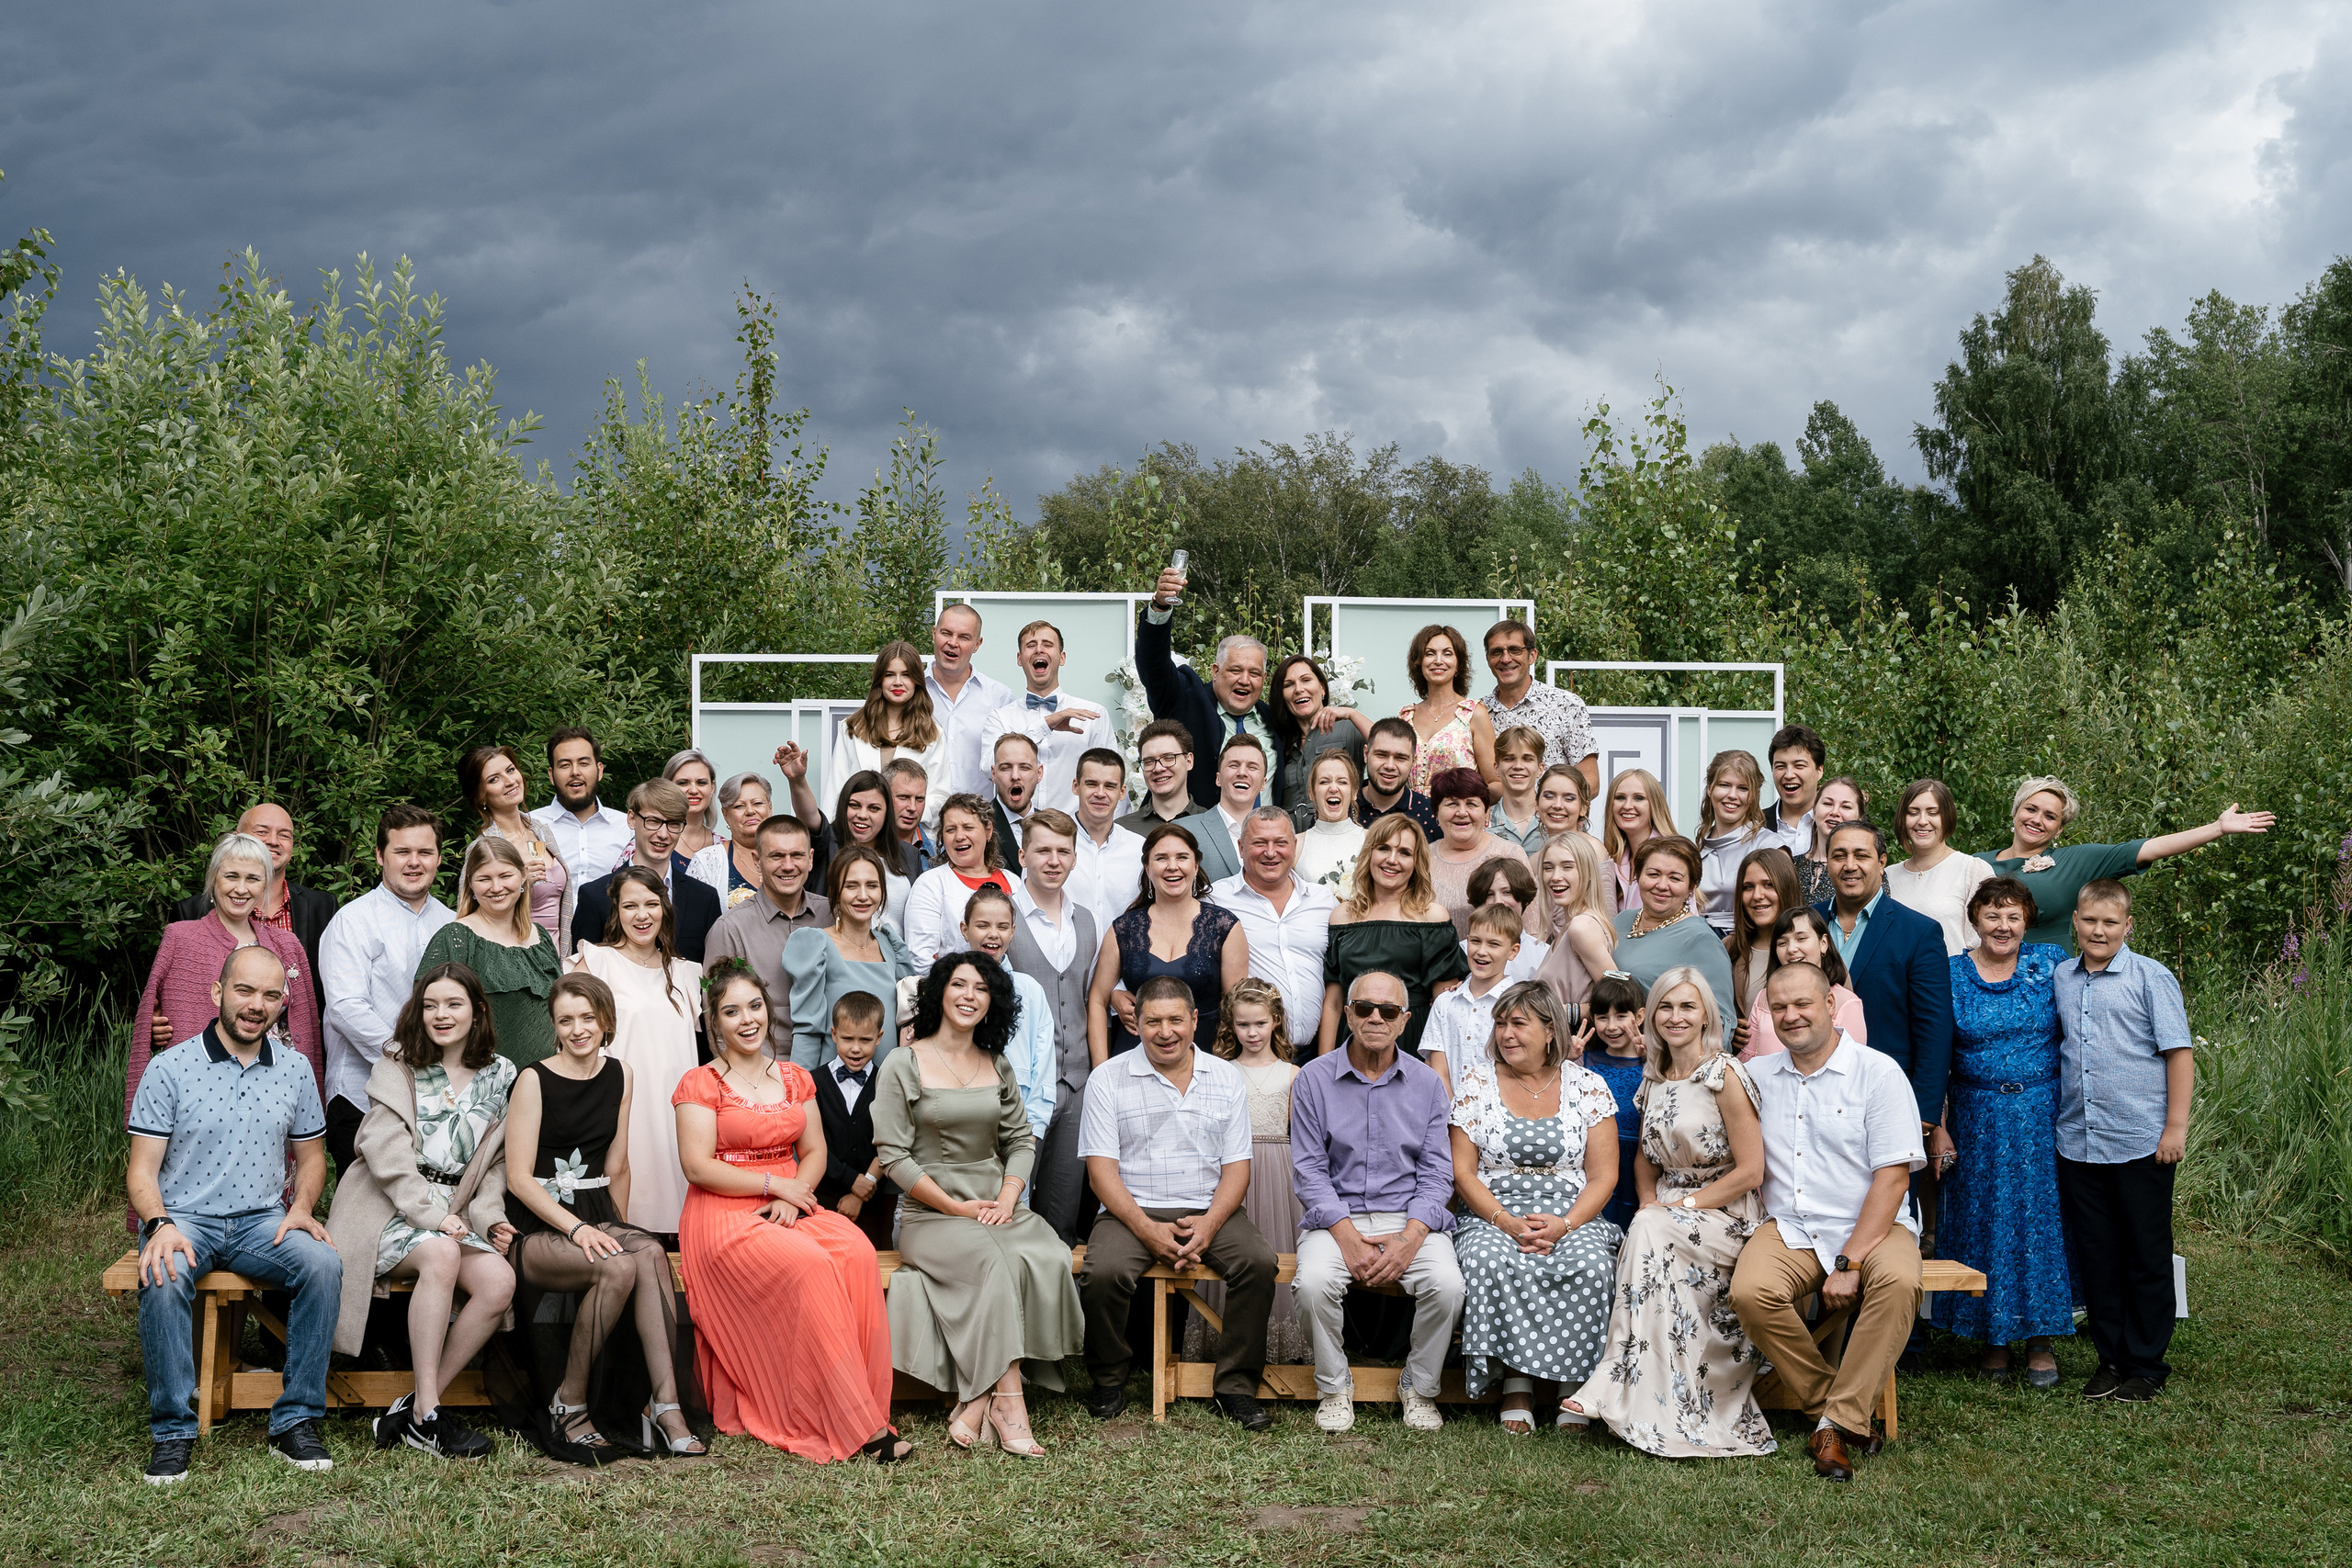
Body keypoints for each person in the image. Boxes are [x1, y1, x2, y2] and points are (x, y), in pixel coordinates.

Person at [673, 960, 903, 1461]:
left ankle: (862, 1403)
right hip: (723, 1212)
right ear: (715, 1023)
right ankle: (855, 1425)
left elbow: (815, 1152)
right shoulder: (701, 1082)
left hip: (791, 1199)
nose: (747, 1019)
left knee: (856, 1252)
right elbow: (696, 1167)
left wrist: (790, 1193)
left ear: (767, 1009)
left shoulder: (797, 1077)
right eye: (731, 1012)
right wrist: (776, 1186)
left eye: (754, 1006)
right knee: (811, 1266)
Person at [129, 945, 341, 1484]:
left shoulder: (294, 1069)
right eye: (245, 991)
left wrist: (302, 1208)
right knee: (163, 1271)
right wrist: (159, 1224)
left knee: (322, 1264)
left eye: (271, 995)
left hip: (260, 1221)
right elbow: (141, 1170)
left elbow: (312, 1156)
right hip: (185, 1218)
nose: (256, 1005)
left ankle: (295, 1420)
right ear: (217, 993)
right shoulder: (169, 1067)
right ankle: (173, 1430)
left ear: (282, 1002)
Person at [875, 953, 1085, 1456]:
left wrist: (1009, 1198)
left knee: (1049, 1254)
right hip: (932, 1213)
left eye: (981, 988)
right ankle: (1010, 1401)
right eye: (959, 984)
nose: (969, 995)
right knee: (994, 1262)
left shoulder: (997, 1062)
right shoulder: (903, 1062)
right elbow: (893, 1156)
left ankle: (978, 1401)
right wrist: (953, 1206)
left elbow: (1021, 1140)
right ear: (939, 994)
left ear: (993, 1002)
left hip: (997, 1204)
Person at [1565, 968, 1775, 1457]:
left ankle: (1607, 1379)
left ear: (1706, 1015)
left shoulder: (1724, 1073)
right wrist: (1649, 1204)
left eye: (1687, 1007)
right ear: (1652, 1016)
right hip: (1668, 1218)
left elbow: (1751, 1171)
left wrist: (1681, 1206)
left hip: (1727, 1215)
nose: (1676, 1017)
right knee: (1648, 1228)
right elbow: (1644, 1158)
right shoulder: (1656, 1076)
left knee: (1651, 1229)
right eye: (1666, 1007)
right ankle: (1643, 1396)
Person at [1732, 962, 1927, 1481]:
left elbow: (1893, 1180)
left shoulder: (1878, 1073)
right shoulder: (1755, 1079)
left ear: (1832, 1006)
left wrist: (1851, 1260)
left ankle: (1834, 1421)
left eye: (1802, 1004)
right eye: (1779, 1008)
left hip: (1874, 1225)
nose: (1791, 1016)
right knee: (1751, 1293)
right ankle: (1838, 1411)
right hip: (1792, 1226)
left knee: (1901, 1280)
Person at [502, 973, 702, 1461]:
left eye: (587, 1018)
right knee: (618, 1265)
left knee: (648, 1251)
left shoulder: (622, 1074)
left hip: (596, 1211)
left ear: (605, 1020)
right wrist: (577, 1228)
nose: (578, 1029)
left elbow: (617, 1165)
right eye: (566, 1020)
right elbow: (518, 1179)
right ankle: (567, 1403)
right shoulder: (534, 1078)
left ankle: (666, 1405)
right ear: (554, 1026)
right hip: (539, 1222)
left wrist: (621, 1229)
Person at [324, 963, 516, 1460]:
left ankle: (412, 1409)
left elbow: (493, 1164)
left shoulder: (501, 1074)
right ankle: (431, 1416)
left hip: (452, 1212)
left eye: (453, 1004)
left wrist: (489, 1215)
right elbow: (384, 1153)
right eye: (430, 1005)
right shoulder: (398, 1063)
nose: (440, 1015)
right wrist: (433, 1217)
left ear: (477, 1011)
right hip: (386, 1206)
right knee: (440, 1256)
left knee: (499, 1283)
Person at [1079, 976, 1277, 1428]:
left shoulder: (1225, 1077)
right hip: (1131, 1209)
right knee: (1103, 1273)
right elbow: (1101, 1172)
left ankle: (1235, 1387)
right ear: (1136, 1023)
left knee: (1258, 1263)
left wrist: (1209, 1224)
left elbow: (1237, 1168)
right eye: (1153, 1021)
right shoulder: (1107, 1078)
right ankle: (1110, 1379)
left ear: (1194, 1020)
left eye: (1175, 1020)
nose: (1165, 1031)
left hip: (1210, 1208)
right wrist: (1146, 1230)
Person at [1291, 970, 1464, 1434]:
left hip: (1408, 1218)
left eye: (1387, 1011)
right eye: (1364, 1008)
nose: (1375, 1018)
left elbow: (1437, 1175)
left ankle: (1419, 1386)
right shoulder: (1312, 1079)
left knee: (1448, 1285)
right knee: (1311, 1284)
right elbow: (1309, 1172)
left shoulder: (1428, 1084)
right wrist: (1346, 1236)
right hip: (1336, 1219)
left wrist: (1411, 1238)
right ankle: (1334, 1385)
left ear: (1404, 1020)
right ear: (1347, 1013)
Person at [1450, 981, 1623, 1430]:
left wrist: (1565, 1224)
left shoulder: (1588, 1085)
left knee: (1591, 1264)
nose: (1507, 1033)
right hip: (1494, 1211)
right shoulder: (1476, 1082)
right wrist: (1506, 1222)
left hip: (1572, 1212)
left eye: (1519, 1024)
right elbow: (1464, 1172)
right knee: (1492, 1259)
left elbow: (1604, 1176)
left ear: (1550, 1031)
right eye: (1501, 1023)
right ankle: (1515, 1383)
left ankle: (1574, 1388)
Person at [2053, 881, 2194, 1402]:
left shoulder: (2150, 978)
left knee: (2145, 1252)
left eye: (2111, 923)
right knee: (2097, 1253)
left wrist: (2174, 1128)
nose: (2099, 931)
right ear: (2076, 920)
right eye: (2090, 921)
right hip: (2078, 1140)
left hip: (2140, 1139)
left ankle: (2146, 1363)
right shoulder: (2062, 979)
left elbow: (2178, 1053)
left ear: (2128, 926)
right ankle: (2109, 1358)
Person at [1933, 877, 2075, 1386]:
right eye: (1992, 915)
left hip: (2043, 1115)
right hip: (1975, 1116)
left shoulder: (2050, 963)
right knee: (1985, 1222)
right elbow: (1936, 1058)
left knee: (2040, 1225)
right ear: (1975, 920)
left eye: (2013, 915)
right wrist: (1939, 1126)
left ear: (2027, 921)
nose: (2003, 925)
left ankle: (2040, 1339)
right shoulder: (1950, 974)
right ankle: (1992, 1338)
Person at [131, 832, 324, 1140]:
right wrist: (139, 1106)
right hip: (200, 1101)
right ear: (213, 879)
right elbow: (146, 1021)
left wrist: (313, 1110)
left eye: (253, 879)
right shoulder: (180, 938)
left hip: (275, 1096)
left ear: (265, 886)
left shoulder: (287, 945)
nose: (241, 888)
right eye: (231, 876)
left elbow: (306, 1030)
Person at [1977, 775, 2274, 952]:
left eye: (2050, 816)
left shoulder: (2074, 860)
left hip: (2043, 980)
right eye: (2031, 809)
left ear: (2060, 829)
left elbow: (2147, 849)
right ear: (2016, 810)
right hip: (1980, 977)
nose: (2037, 820)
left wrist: (2216, 828)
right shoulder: (1973, 863)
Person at [318, 807, 454, 1178]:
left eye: (425, 853)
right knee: (364, 1217)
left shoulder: (453, 923)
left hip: (434, 1102)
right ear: (380, 856)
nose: (414, 862)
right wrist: (411, 1056)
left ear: (438, 859)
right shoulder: (353, 920)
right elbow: (346, 1008)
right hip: (364, 1097)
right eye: (402, 852)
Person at [569, 867, 702, 1234]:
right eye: (630, 906)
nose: (642, 915)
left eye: (651, 904)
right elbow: (567, 1028)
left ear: (665, 909)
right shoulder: (598, 962)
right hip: (622, 1104)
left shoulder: (687, 972)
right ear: (616, 911)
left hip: (677, 1112)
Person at [1822, 819, 1956, 1145]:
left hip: (1888, 1097)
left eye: (1861, 855)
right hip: (1815, 1094)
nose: (1850, 865)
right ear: (1827, 864)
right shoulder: (1806, 924)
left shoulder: (1918, 932)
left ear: (1882, 862)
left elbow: (1935, 1028)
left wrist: (1925, 1112)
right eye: (1839, 856)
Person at [1005, 809, 1102, 1244]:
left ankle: (1059, 1308)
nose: (1053, 860)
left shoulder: (1087, 920)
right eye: (1042, 850)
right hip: (1020, 1085)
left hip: (1077, 1082)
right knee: (1012, 1203)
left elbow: (1087, 995)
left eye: (1063, 851)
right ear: (1023, 855)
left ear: (1075, 858)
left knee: (1062, 1214)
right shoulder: (1001, 916)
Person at [1204, 979, 1306, 1364]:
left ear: (1275, 1022)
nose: (1252, 1033)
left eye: (1260, 1024)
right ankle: (1224, 1339)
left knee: (1279, 1249)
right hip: (1233, 1167)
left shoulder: (1294, 1074)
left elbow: (1302, 1131)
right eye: (1243, 1025)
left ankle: (1281, 1345)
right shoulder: (1220, 1071)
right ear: (1232, 1025)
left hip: (1280, 1169)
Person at [1091, 822, 1248, 1061]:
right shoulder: (1124, 928)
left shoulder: (1224, 926)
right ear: (1147, 868)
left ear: (1195, 866)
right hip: (1133, 1057)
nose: (1172, 866)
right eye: (1161, 858)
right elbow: (1097, 1000)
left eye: (1182, 857)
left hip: (1206, 1058)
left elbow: (1237, 1008)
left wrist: (1230, 1066)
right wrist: (1101, 1072)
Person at [165, 801, 339, 1015]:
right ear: (236, 837)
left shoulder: (322, 907)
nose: (273, 841)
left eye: (284, 835)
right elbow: (173, 991)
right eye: (262, 831)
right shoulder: (190, 912)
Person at [1318, 815, 1468, 1061]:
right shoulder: (1342, 917)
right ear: (1370, 854)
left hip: (1413, 1041)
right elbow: (1334, 1003)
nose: (1392, 860)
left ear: (1416, 862)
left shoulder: (1432, 918)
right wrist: (1322, 1066)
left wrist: (1438, 1070)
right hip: (1351, 1039)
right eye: (1384, 848)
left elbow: (1444, 1006)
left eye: (1404, 852)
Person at [417, 836, 562, 1067]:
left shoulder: (541, 937)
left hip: (545, 1082)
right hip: (483, 1085)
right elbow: (427, 1018)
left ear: (523, 876)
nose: (497, 888)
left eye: (505, 876)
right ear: (471, 884)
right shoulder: (456, 938)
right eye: (485, 879)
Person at [1138, 566, 1274, 808]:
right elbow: (1154, 664)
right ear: (1215, 671)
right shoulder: (1184, 699)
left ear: (1264, 678)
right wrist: (1160, 607)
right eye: (1235, 670)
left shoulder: (1276, 721)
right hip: (1191, 837)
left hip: (1262, 840)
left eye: (1254, 673)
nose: (1245, 680)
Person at [1211, 807, 1338, 1059]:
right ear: (1241, 848)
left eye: (1280, 842)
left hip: (1315, 1054)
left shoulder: (1323, 901)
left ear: (1294, 845)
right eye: (1259, 843)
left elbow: (1337, 975)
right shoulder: (1215, 900)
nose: (1270, 852)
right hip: (1249, 1055)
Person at [705, 814, 833, 1062]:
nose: (788, 866)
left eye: (796, 855)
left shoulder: (831, 917)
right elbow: (716, 1023)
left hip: (830, 1070)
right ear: (757, 860)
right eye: (776, 856)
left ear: (810, 859)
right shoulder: (731, 929)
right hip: (763, 1074)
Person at [784, 845, 915, 1072]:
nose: (863, 896)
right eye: (851, 886)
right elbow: (807, 1028)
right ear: (836, 891)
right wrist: (800, 1090)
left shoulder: (891, 945)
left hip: (885, 1087)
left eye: (872, 886)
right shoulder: (816, 945)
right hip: (832, 1090)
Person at [569, 779, 723, 964]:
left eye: (673, 824)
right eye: (653, 821)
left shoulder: (705, 899)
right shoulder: (595, 896)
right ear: (632, 819)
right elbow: (582, 981)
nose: (663, 834)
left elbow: (713, 974)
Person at [956, 885, 1059, 1149]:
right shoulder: (946, 989)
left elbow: (1043, 1072)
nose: (993, 934)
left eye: (1002, 926)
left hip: (1016, 1135)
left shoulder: (1030, 992)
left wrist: (1030, 1137)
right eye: (982, 925)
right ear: (964, 929)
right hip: (957, 1137)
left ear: (1013, 931)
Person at [977, 620, 1115, 812]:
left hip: (1076, 834)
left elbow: (1111, 779)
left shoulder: (1094, 715)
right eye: (1031, 645)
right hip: (1016, 833)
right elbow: (988, 768)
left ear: (1062, 657)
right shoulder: (1000, 718)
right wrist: (1045, 725)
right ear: (1019, 658)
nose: (1039, 650)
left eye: (1048, 645)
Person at [1611, 836, 1736, 1042]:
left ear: (1690, 888)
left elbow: (1722, 1020)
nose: (1662, 885)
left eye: (1675, 878)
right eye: (1653, 874)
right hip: (1608, 1050)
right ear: (1637, 875)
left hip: (1659, 1058)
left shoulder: (1700, 938)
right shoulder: (1622, 920)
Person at [809, 990, 899, 1253]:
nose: (856, 1048)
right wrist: (851, 1181)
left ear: (879, 1038)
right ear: (834, 1034)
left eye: (865, 1040)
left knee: (872, 1261)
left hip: (875, 1198)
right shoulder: (814, 1083)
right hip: (823, 1196)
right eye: (847, 1039)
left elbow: (890, 1140)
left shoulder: (888, 1083)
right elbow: (812, 1144)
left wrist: (865, 1186)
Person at [458, 745, 572, 949]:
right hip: (517, 958)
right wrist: (518, 884)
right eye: (494, 779)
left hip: (558, 958)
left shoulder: (541, 831)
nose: (509, 781)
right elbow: (469, 917)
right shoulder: (482, 848)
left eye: (510, 770)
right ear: (481, 795)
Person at [832, 638, 950, 828]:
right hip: (857, 837)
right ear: (880, 679)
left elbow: (941, 798)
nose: (897, 682)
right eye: (889, 675)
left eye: (906, 675)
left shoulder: (933, 734)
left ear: (917, 681)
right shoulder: (851, 727)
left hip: (909, 838)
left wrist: (902, 809)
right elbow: (836, 791)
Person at [1882, 778, 1996, 957]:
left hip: (1954, 981)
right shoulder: (1887, 876)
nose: (1922, 821)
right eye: (1913, 812)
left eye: (1933, 812)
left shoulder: (1972, 870)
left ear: (1947, 817)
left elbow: (1985, 941)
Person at [903, 794, 1018, 971]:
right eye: (950, 830)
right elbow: (921, 963)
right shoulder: (931, 884)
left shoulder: (1013, 882)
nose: (959, 836)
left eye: (968, 827)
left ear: (988, 831)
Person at [1421, 903, 1529, 1092]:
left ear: (1513, 951)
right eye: (1476, 941)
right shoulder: (1445, 1003)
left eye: (1493, 944)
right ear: (1467, 941)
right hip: (1451, 1113)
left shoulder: (1521, 1005)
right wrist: (1454, 1118)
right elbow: (1439, 1072)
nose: (1481, 951)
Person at [1482, 619, 1598, 795]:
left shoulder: (1566, 705)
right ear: (1488, 659)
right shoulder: (1478, 712)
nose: (1505, 659)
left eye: (1514, 650)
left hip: (1552, 819)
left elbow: (1590, 782)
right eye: (1497, 652)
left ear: (1532, 655)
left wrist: (1553, 804)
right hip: (1495, 821)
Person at [799, 769, 918, 933]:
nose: (862, 815)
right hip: (837, 955)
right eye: (854, 805)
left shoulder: (908, 854)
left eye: (874, 808)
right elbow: (809, 816)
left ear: (887, 813)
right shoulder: (827, 844)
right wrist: (797, 779)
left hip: (896, 957)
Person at [1743, 908, 1871, 1060]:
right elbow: (1748, 1057)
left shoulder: (1846, 1003)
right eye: (1782, 943)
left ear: (1823, 943)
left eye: (1801, 939)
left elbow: (1852, 1065)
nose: (1791, 949)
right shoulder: (1764, 997)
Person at [1578, 973, 1648, 1230]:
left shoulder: (1652, 1063)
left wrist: (1653, 1060)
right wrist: (1568, 1057)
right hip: (1596, 1155)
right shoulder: (1586, 1060)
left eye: (1620, 1016)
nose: (1611, 1026)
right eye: (1603, 1017)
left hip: (1638, 1158)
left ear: (1639, 1016)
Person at [927, 603, 1018, 798]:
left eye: (964, 637)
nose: (953, 642)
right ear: (934, 633)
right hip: (920, 821)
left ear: (977, 644)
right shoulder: (911, 690)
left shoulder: (1000, 697)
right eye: (946, 633)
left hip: (978, 821)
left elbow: (1012, 764)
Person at [1427, 767, 1532, 938]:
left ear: (1487, 813)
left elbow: (1531, 927)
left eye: (1471, 804)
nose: (1462, 812)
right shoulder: (1420, 858)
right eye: (1452, 803)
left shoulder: (1510, 853)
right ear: (1437, 813)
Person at [527, 728, 633, 888]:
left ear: (599, 770)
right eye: (564, 765)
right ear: (551, 775)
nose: (575, 772)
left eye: (583, 763)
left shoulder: (628, 828)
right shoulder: (529, 826)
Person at [1399, 624, 1498, 793]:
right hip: (1411, 817)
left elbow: (1495, 783)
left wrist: (1468, 804)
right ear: (1419, 663)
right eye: (1429, 654)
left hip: (1459, 816)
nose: (1438, 660)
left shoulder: (1473, 713)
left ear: (1458, 663)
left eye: (1447, 653)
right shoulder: (1406, 717)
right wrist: (1351, 714)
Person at [1267, 653, 1370, 814]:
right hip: (1292, 837)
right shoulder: (1279, 740)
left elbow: (1391, 747)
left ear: (1322, 687)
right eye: (1288, 685)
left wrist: (1352, 714)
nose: (1299, 689)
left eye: (1306, 680)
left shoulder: (1348, 728)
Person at [1724, 844, 1802, 1053]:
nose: (1757, 895)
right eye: (1748, 887)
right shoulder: (1729, 948)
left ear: (1786, 887)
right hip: (1743, 1072)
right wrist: (1727, 1030)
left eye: (1768, 885)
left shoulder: (1810, 945)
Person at [1533, 830, 1617, 1017]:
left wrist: (1563, 1012)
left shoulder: (1582, 926)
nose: (1555, 876)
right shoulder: (1570, 926)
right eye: (1548, 868)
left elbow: (1618, 994)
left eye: (1567, 867)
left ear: (1588, 873)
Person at [1066, 748, 1146, 937]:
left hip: (1123, 960)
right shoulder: (1052, 844)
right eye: (1092, 784)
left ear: (1122, 792)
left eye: (1110, 786)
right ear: (1076, 786)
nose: (1100, 793)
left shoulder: (1139, 849)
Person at [1695, 750, 1771, 935]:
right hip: (1698, 943)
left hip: (1748, 945)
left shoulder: (1770, 845)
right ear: (1710, 788)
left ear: (1753, 795)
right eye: (1724, 785)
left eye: (1743, 788)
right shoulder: (1695, 849)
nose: (1732, 795)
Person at [1178, 733, 1270, 884]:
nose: (1242, 772)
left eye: (1252, 767)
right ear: (1218, 778)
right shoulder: (1184, 830)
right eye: (1234, 765)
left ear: (1263, 783)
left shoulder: (1276, 835)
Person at [686, 772, 775, 911]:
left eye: (757, 803)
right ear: (726, 815)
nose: (750, 811)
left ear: (770, 808)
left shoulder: (790, 856)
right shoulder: (707, 861)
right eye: (739, 806)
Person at [1352, 716, 1442, 840]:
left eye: (1400, 758)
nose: (1390, 766)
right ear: (1366, 754)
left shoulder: (1433, 815)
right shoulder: (1342, 807)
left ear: (1413, 761)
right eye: (1381, 755)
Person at [1601, 768, 1678, 909]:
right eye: (1620, 798)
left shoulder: (1673, 854)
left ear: (1655, 805)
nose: (1627, 806)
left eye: (1638, 798)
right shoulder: (1614, 860)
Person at [1292, 750, 1368, 893]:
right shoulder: (1295, 845)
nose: (1333, 788)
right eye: (1324, 782)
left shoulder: (1372, 840)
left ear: (1354, 792)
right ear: (1311, 793)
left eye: (1342, 782)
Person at [1792, 775, 1866, 910]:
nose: (1835, 812)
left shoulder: (1865, 870)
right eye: (1828, 804)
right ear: (1814, 811)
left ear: (1859, 818)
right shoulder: (1791, 866)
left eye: (1846, 806)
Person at [1118, 718, 1200, 834]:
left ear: (1189, 761)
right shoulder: (1122, 830)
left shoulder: (1214, 827)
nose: (1158, 768)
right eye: (1149, 761)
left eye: (1168, 758)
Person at [1762, 723, 1826, 853]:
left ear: (1819, 770)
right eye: (1780, 766)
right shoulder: (1754, 825)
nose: (1789, 775)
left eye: (1799, 766)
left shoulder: (1842, 822)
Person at [1487, 726, 1549, 858]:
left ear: (1540, 769)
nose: (1518, 766)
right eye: (1509, 759)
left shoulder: (1555, 819)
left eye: (1527, 759)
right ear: (1496, 768)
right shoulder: (1483, 823)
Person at [983, 731, 1046, 863]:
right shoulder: (978, 825)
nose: (1015, 776)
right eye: (1006, 768)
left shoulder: (1050, 827)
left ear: (1039, 773)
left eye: (1024, 768)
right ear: (993, 774)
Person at [883, 757, 943, 878]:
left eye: (919, 799)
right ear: (884, 796)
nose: (912, 807)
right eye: (903, 797)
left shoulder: (941, 854)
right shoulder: (865, 847)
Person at [664, 748, 725, 862]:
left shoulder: (724, 848)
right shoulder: (650, 842)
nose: (693, 790)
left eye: (701, 783)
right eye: (683, 783)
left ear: (712, 788)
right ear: (668, 787)